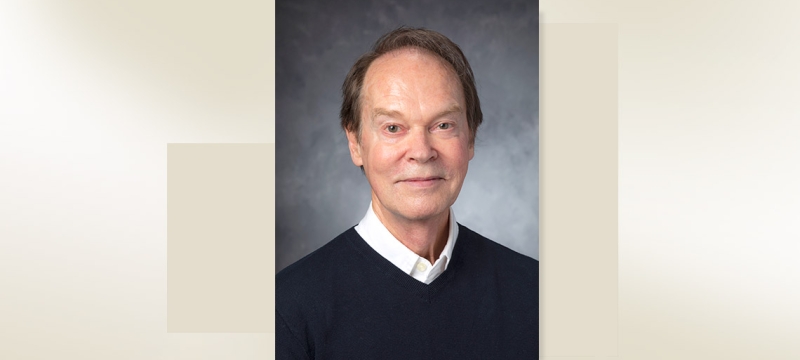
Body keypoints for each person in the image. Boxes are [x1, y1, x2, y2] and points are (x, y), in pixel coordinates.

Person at [276, 27, 538, 359]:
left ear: (470, 138)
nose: (421, 151)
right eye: (393, 128)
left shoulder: (536, 294)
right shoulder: (286, 310)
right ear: (355, 143)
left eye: (443, 125)